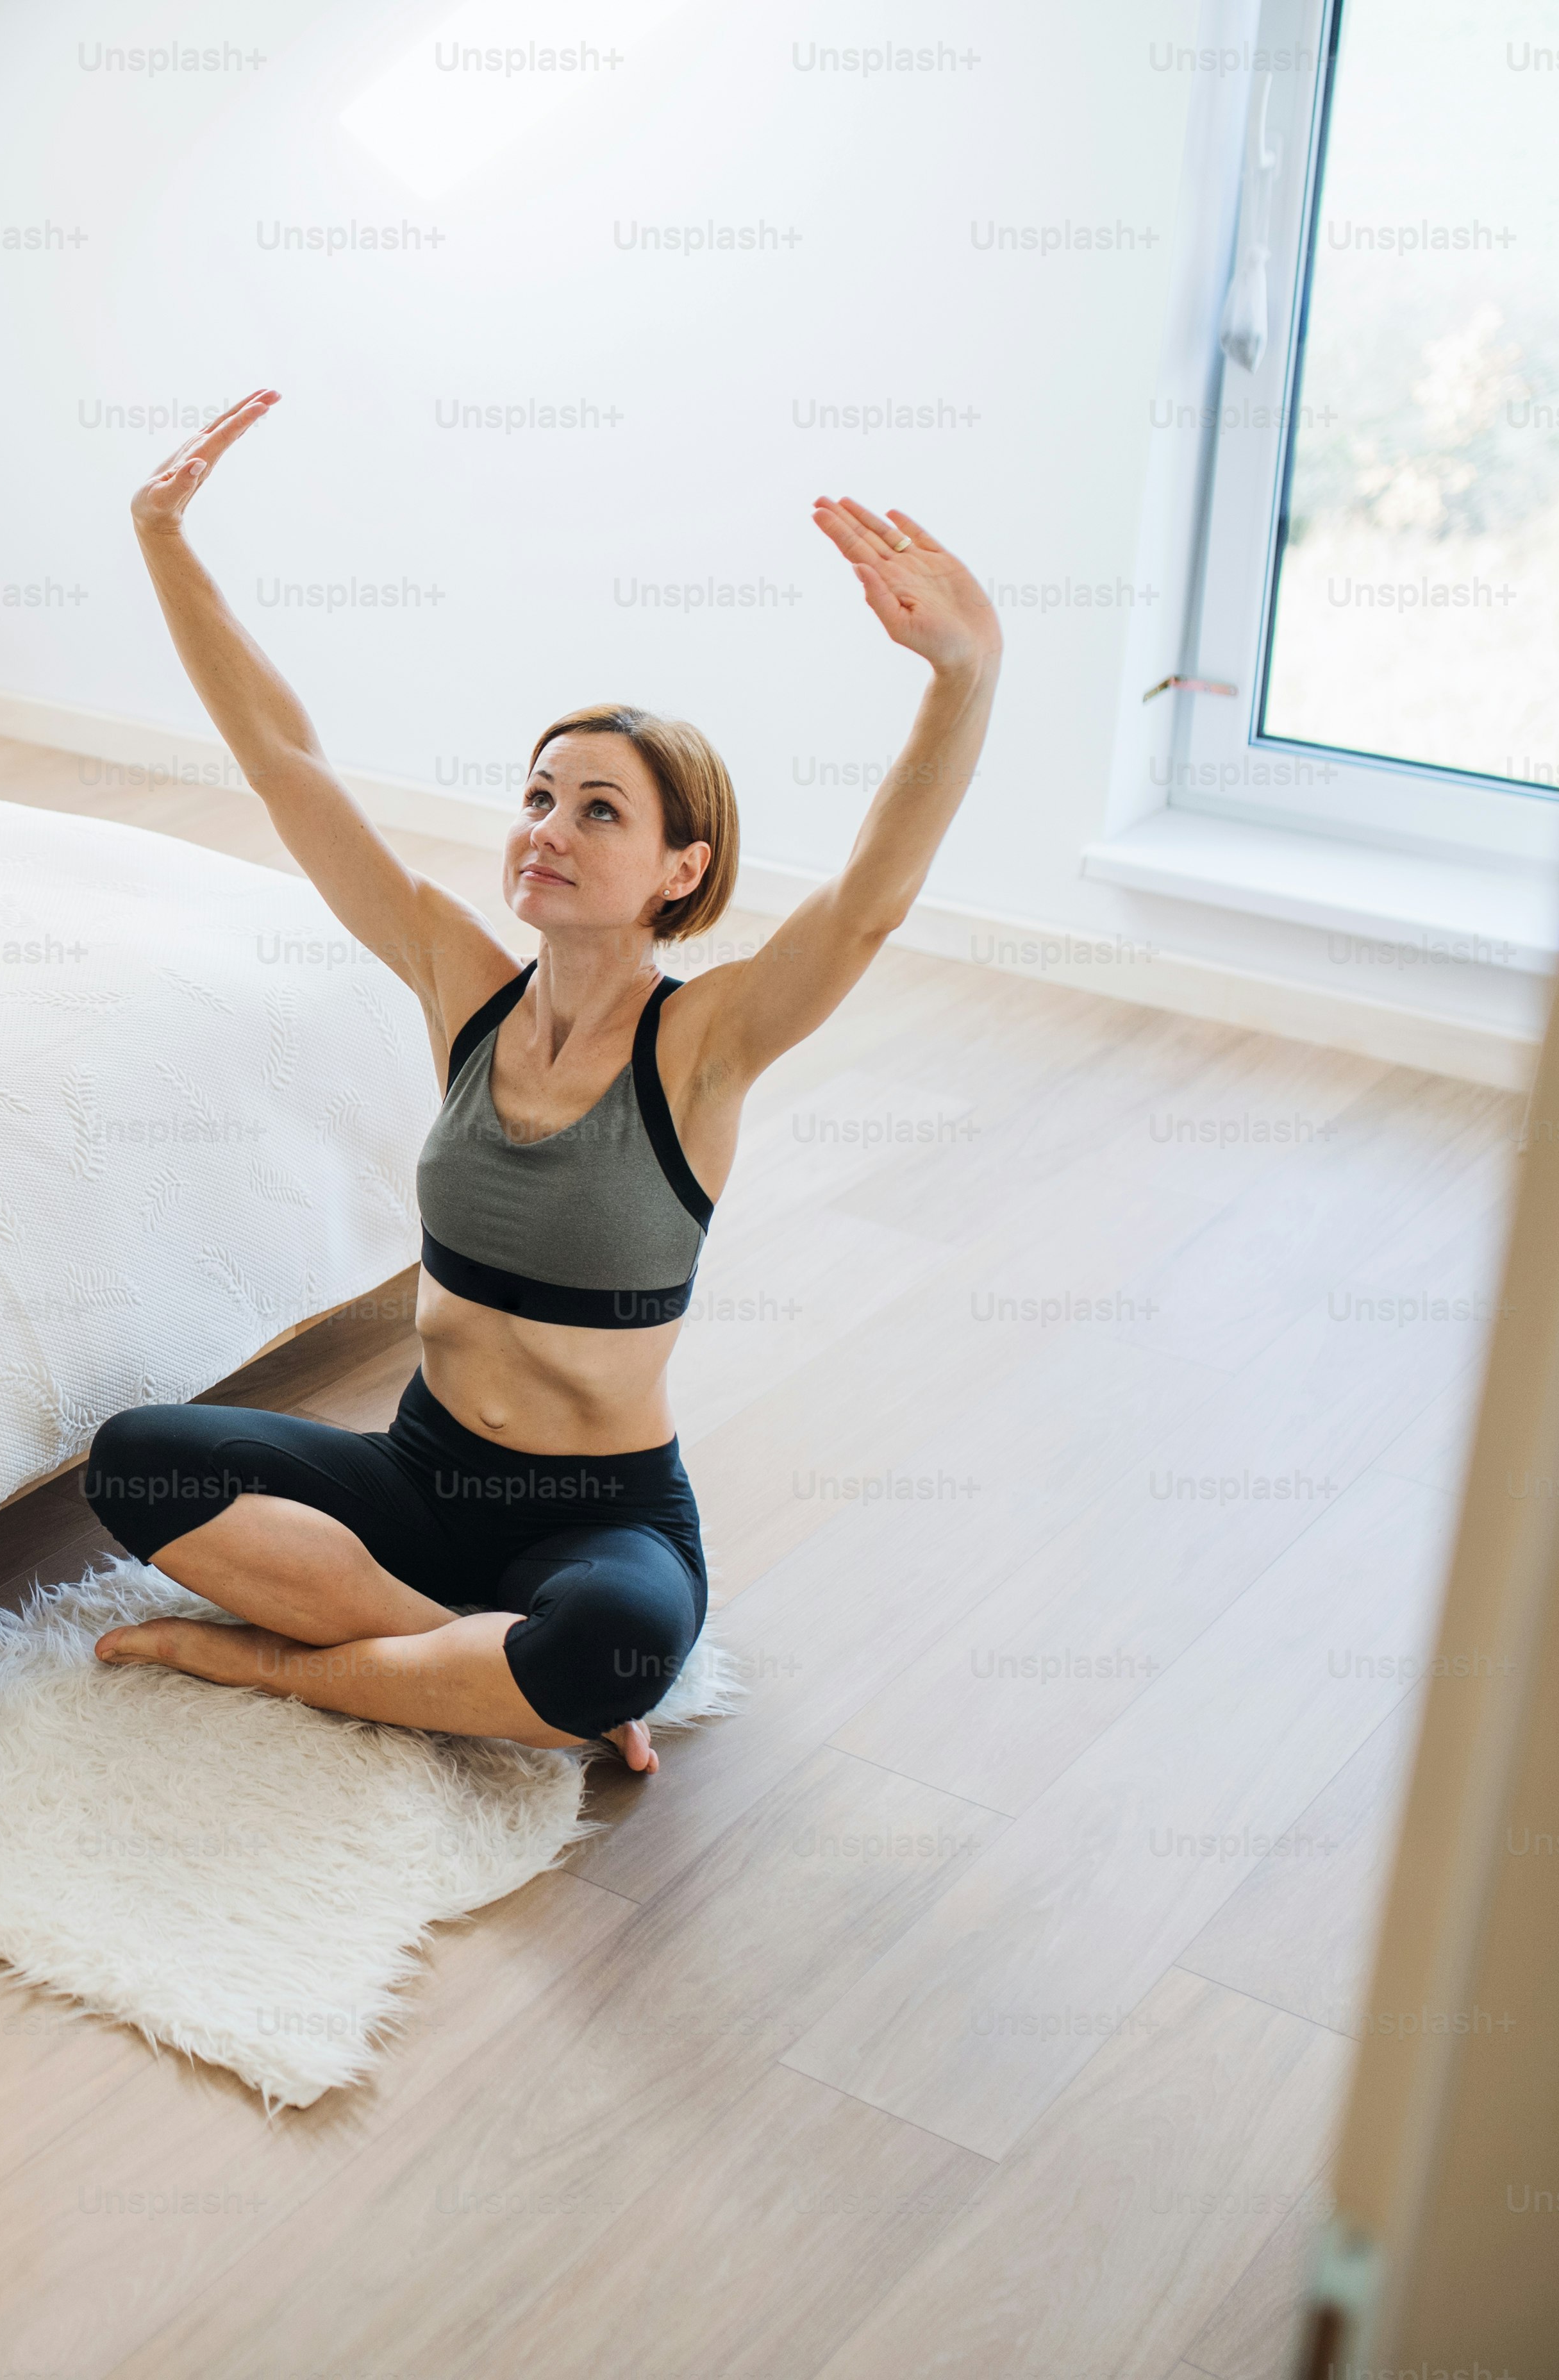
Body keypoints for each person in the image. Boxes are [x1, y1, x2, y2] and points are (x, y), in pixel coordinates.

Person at [81, 389, 1003, 1768]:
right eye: (536, 795)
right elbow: (289, 766)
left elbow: (868, 902)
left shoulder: (705, 1043)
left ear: (682, 870)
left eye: (600, 809)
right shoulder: (466, 987)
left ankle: (298, 1664)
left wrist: (963, 676)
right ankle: (452, 1662)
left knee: (619, 1646)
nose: (547, 829)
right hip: (417, 1471)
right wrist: (161, 535)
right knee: (135, 1459)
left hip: (600, 1511)